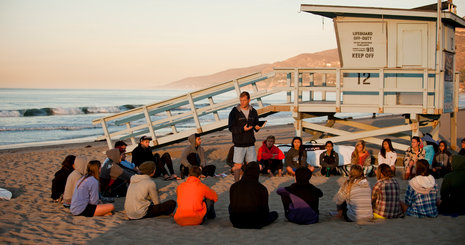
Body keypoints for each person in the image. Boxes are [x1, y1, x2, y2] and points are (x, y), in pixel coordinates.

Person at [229, 162, 278, 229]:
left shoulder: (234, 186)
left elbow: (232, 206)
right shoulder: (261, 188)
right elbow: (265, 210)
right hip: (256, 222)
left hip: (236, 221)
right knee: (275, 214)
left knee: (230, 206)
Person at [228, 91, 262, 182]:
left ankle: (252, 183)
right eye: (241, 100)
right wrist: (242, 129)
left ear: (249, 100)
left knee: (252, 165)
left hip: (250, 142)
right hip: (239, 143)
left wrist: (257, 128)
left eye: (244, 100)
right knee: (237, 166)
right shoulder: (234, 112)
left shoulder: (253, 111)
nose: (242, 102)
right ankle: (236, 184)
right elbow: (231, 128)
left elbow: (255, 126)